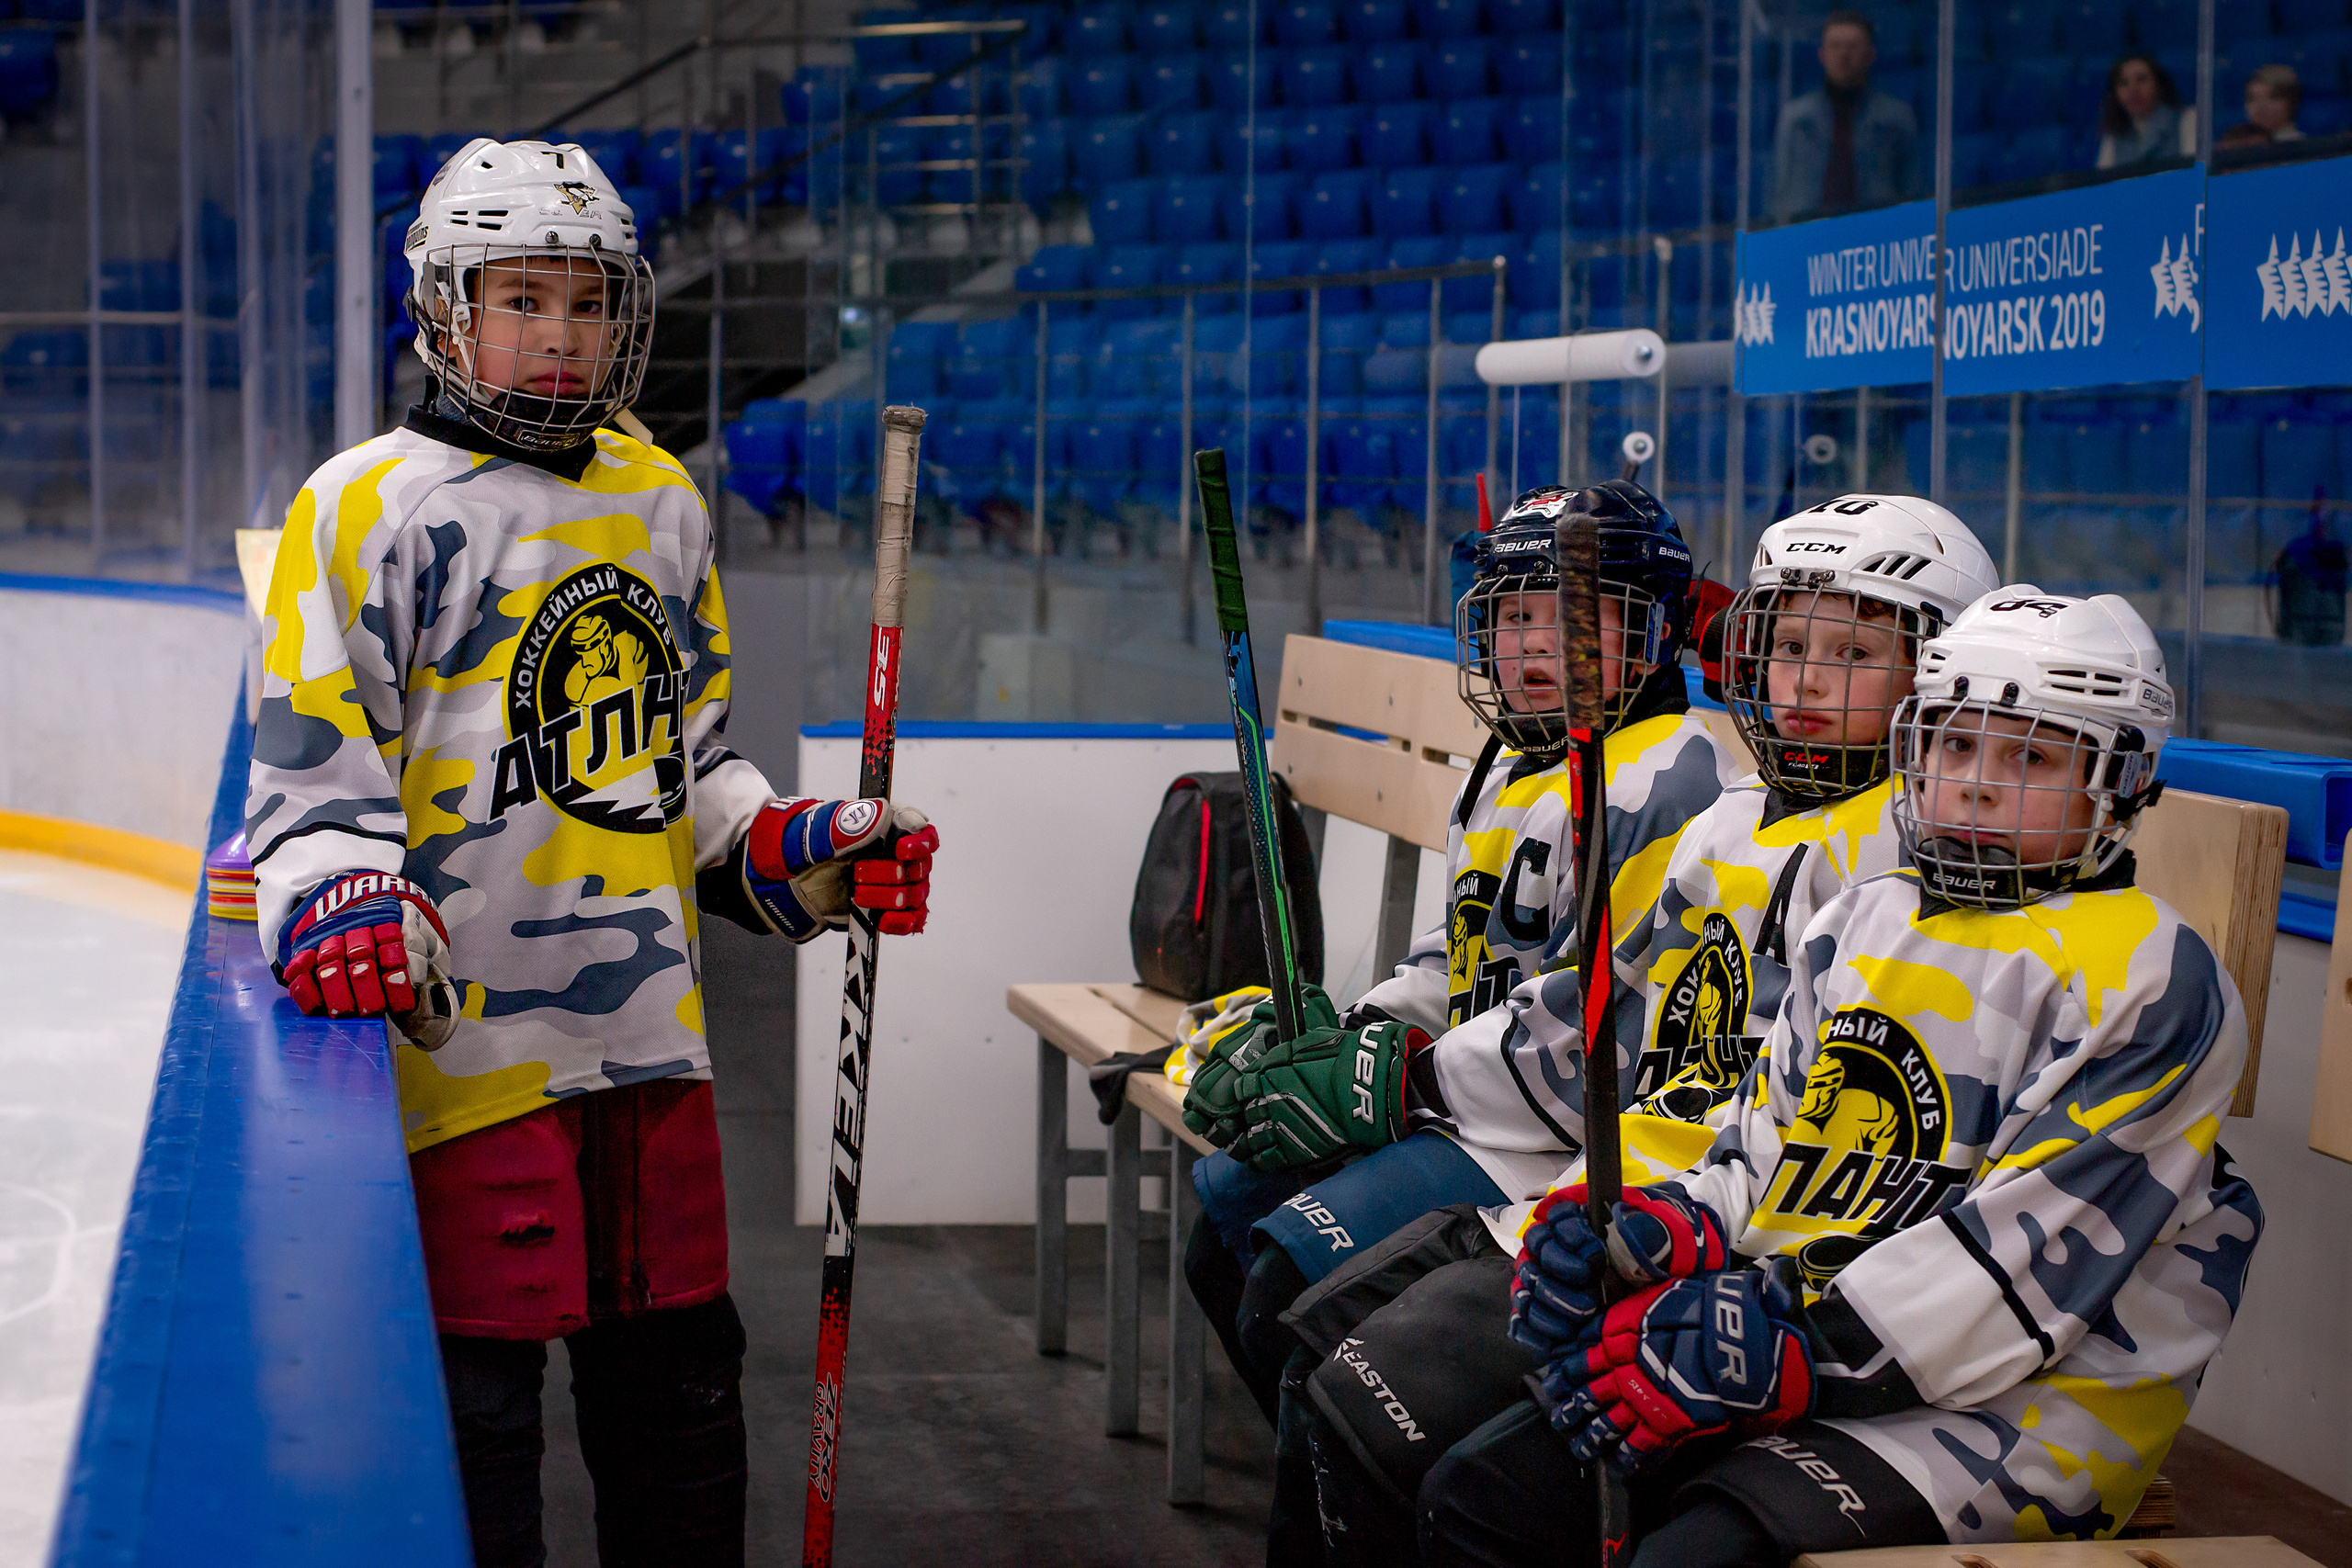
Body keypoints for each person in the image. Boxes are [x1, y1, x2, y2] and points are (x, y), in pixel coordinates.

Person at [245, 138, 940, 1568]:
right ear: (443, 308)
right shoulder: (364, 504)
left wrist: (801, 845)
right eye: (520, 298)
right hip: (467, 1060)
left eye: (585, 302)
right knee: (478, 1421)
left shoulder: (661, 499)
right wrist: (339, 889)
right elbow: (310, 782)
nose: (557, 334)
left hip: (647, 1047)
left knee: (683, 1401)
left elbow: (687, 773)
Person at [1294, 590, 2264, 1568]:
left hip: (2011, 1414)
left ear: (2120, 783)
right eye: (1953, 746)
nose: (1972, 786)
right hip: (1798, 1332)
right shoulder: (1869, 918)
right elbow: (1759, 1152)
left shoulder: (2150, 981)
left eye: (2033, 758)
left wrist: (1780, 1343)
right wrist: (1658, 1229)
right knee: (1485, 1494)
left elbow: (2009, 1278)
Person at [1179, 480, 1741, 1561]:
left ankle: (1382, 1492)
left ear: (1657, 627)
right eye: (1515, 616)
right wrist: (1348, 1035)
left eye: (1573, 617)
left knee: (1289, 1285)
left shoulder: (1669, 784)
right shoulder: (1512, 758)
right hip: (1476, 1104)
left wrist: (1401, 1078)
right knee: (1227, 1212)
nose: (1537, 645)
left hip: (1559, 1147)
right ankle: (1370, 1490)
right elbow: (1459, 957)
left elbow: (1604, 1031)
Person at [1769, 10, 1919, 221]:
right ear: (1822, 54)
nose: (1843, 55)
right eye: (1835, 46)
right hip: (1808, 236)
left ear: (1870, 54)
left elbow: (1911, 190)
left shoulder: (1896, 118)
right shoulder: (1796, 119)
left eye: (1852, 46)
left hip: (1876, 235)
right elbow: (1781, 190)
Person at [2097, 53, 2196, 168]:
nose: (2133, 89)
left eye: (2141, 79)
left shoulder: (2187, 118)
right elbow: (2103, 180)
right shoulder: (2114, 135)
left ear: (2158, 84)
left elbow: (2194, 174)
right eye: (2123, 83)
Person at [2221, 63, 2305, 150]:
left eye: (2273, 97)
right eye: (2252, 98)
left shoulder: (2305, 152)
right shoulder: (2231, 147)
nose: (2260, 106)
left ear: (2292, 101)